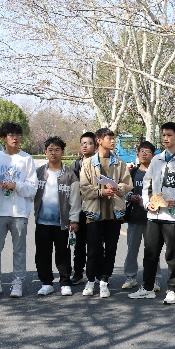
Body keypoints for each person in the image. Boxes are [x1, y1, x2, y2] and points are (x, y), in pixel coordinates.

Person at [129, 122, 175, 304]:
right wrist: (147, 203)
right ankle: (147, 288)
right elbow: (146, 185)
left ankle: (172, 290)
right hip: (153, 215)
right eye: (164, 135)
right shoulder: (156, 160)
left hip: (173, 217)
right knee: (150, 253)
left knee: (172, 255)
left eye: (169, 135)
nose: (166, 138)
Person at [0, 122, 38, 298]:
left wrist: (16, 185)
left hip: (19, 212)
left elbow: (33, 188)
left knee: (19, 250)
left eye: (18, 135)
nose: (15, 138)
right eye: (11, 135)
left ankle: (18, 282)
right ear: (3, 138)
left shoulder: (26, 159)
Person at [79, 127, 133, 298]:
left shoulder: (120, 163)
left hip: (114, 213)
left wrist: (117, 188)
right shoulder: (88, 163)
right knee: (93, 250)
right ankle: (90, 280)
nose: (112, 141)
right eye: (109, 138)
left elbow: (127, 184)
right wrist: (101, 192)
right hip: (94, 214)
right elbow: (84, 187)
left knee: (111, 249)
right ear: (99, 140)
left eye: (113, 138)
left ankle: (104, 281)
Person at [34, 137, 81, 296]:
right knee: (42, 253)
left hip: (63, 222)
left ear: (62, 152)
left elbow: (75, 199)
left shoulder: (69, 175)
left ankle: (65, 282)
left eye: (57, 150)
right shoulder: (39, 172)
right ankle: (46, 283)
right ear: (45, 152)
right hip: (42, 221)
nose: (53, 153)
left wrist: (74, 219)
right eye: (50, 150)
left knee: (63, 253)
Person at [122, 141, 154, 290]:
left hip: (152, 218)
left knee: (152, 250)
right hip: (135, 217)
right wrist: (130, 196)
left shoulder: (156, 172)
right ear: (137, 154)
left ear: (153, 155)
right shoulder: (133, 172)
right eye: (142, 151)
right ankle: (130, 277)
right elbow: (124, 191)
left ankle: (154, 278)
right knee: (132, 250)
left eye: (147, 151)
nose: (144, 154)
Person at [69, 132, 96, 285]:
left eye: (89, 143)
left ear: (96, 146)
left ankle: (97, 274)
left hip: (95, 208)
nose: (85, 146)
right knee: (79, 244)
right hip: (79, 209)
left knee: (96, 243)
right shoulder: (75, 165)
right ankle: (78, 273)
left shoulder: (99, 163)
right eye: (83, 143)